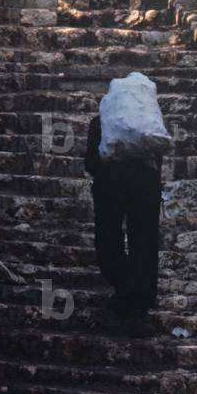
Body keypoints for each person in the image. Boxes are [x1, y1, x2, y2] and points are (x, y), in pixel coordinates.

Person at [85, 112, 162, 323]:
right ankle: (140, 301)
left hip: (109, 184)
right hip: (145, 185)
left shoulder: (100, 123)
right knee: (144, 240)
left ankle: (124, 287)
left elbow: (90, 163)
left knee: (108, 237)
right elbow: (158, 159)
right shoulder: (149, 125)